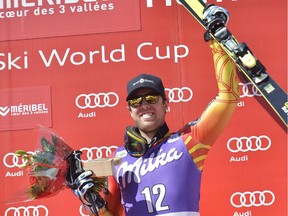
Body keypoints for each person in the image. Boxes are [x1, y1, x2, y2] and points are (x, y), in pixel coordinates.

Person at [68, 5, 240, 216]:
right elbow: (109, 214)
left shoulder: (189, 141)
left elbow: (227, 97)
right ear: (129, 110)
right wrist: (89, 203)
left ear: (165, 104)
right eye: (136, 101)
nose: (144, 105)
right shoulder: (118, 159)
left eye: (151, 98)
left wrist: (217, 38)